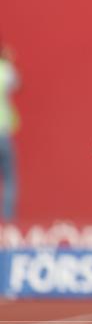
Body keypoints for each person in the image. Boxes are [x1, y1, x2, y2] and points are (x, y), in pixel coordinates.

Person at [0, 39, 20, 222]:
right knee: (9, 178)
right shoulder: (5, 70)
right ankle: (6, 223)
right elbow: (17, 84)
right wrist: (7, 60)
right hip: (3, 132)